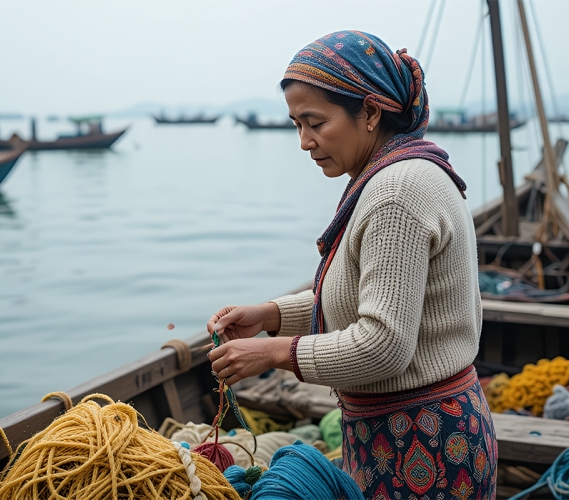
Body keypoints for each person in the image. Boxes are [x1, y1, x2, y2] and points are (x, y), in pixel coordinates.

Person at [205, 31, 492, 499]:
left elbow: (382, 345)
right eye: (297, 124)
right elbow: (358, 297)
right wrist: (270, 315)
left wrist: (274, 353)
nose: (304, 141)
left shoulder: (396, 192)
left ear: (372, 112)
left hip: (423, 442)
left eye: (315, 122)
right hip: (402, 432)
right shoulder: (397, 174)